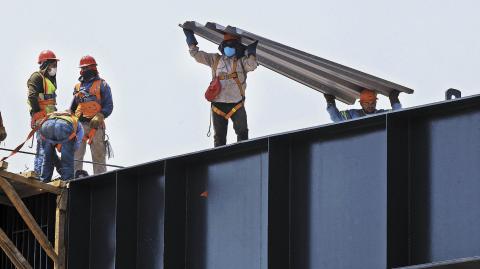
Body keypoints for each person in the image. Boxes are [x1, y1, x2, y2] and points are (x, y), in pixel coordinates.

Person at [183, 29, 259, 147]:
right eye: (226, 45)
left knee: (243, 133)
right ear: (222, 47)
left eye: (232, 46)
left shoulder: (241, 62)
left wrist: (252, 52)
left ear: (237, 47)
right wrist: (190, 39)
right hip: (218, 106)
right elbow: (196, 55)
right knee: (219, 138)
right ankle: (219, 158)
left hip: (236, 104)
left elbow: (252, 65)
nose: (228, 48)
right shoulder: (215, 59)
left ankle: (244, 155)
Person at [70, 55, 113, 176]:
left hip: (96, 126)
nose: (84, 71)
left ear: (93, 68)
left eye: (86, 68)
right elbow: (72, 107)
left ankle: (100, 179)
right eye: (82, 68)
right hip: (79, 126)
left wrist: (101, 115)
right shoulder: (78, 87)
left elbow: (109, 105)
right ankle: (73, 179)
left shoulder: (102, 85)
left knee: (98, 155)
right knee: (76, 155)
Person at [27, 50, 60, 176]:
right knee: (43, 147)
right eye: (53, 64)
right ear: (45, 64)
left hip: (50, 118)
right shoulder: (37, 77)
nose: (55, 68)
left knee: (48, 146)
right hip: (41, 118)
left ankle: (58, 169)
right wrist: (37, 113)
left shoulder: (49, 80)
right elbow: (32, 96)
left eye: (55, 65)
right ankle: (39, 174)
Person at [39, 112, 84, 182]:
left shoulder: (56, 115)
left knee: (47, 159)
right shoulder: (79, 125)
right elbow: (75, 146)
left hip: (46, 126)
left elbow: (51, 155)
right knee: (67, 160)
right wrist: (64, 151)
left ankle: (44, 180)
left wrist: (59, 145)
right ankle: (67, 182)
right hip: (63, 126)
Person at [324, 89, 402, 122]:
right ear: (361, 103)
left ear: (376, 102)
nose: (370, 105)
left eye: (373, 103)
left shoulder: (381, 114)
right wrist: (330, 101)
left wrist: (393, 99)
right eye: (367, 103)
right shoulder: (353, 114)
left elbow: (398, 114)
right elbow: (336, 118)